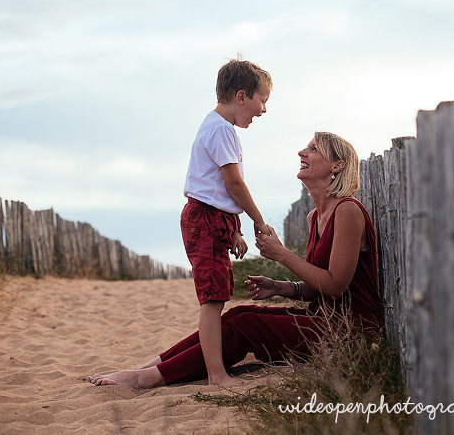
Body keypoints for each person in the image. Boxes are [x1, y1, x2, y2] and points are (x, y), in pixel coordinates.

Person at [87, 132, 383, 388]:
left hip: (349, 332)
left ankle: (149, 378)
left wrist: (281, 254)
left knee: (246, 325)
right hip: (322, 318)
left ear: (337, 166)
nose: (302, 153)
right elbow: (316, 286)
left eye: (313, 149)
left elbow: (334, 286)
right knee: (236, 315)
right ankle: (153, 364)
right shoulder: (313, 217)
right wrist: (280, 287)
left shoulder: (348, 211)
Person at [179, 59, 272, 387]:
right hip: (203, 220)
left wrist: (234, 230)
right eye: (263, 101)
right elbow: (233, 184)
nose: (263, 110)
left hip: (213, 220)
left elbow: (219, 189)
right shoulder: (220, 129)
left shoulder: (220, 128)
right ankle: (217, 375)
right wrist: (258, 221)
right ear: (242, 96)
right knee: (212, 298)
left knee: (217, 294)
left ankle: (217, 371)